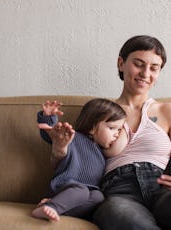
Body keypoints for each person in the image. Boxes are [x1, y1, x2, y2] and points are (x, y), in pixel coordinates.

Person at [90, 35, 171, 230]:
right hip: (120, 191)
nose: (145, 73)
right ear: (121, 63)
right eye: (138, 64)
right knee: (117, 213)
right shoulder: (99, 111)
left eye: (154, 68)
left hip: (162, 187)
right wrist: (59, 150)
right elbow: (79, 155)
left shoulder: (166, 111)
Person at [31, 98, 127, 221]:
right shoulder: (74, 137)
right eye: (112, 128)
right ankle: (51, 206)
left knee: (98, 197)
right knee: (81, 191)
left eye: (119, 129)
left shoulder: (102, 152)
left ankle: (55, 209)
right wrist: (48, 117)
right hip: (65, 186)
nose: (117, 134)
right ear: (92, 126)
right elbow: (53, 134)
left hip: (87, 191)